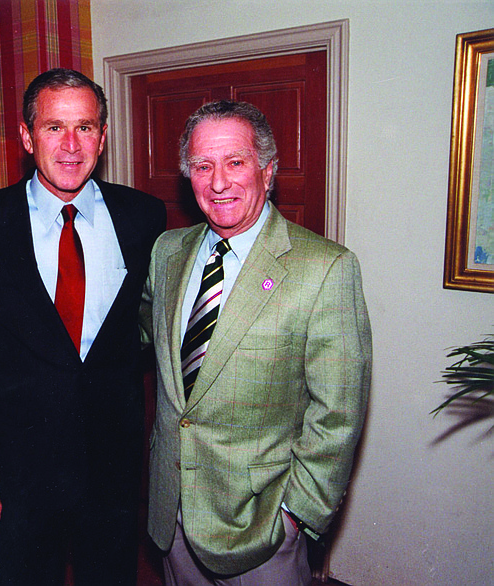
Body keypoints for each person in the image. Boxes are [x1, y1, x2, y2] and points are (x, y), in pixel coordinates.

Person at [0, 68, 167, 586]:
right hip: (22, 467)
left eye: (85, 127)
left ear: (102, 136)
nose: (71, 145)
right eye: (54, 127)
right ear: (27, 137)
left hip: (112, 462)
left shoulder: (143, 217)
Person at [140, 100, 372, 586]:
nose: (218, 182)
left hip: (262, 529)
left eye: (235, 162)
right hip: (172, 516)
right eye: (203, 166)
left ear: (267, 171)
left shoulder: (325, 269)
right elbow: (139, 339)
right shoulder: (167, 252)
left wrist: (295, 516)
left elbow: (338, 414)